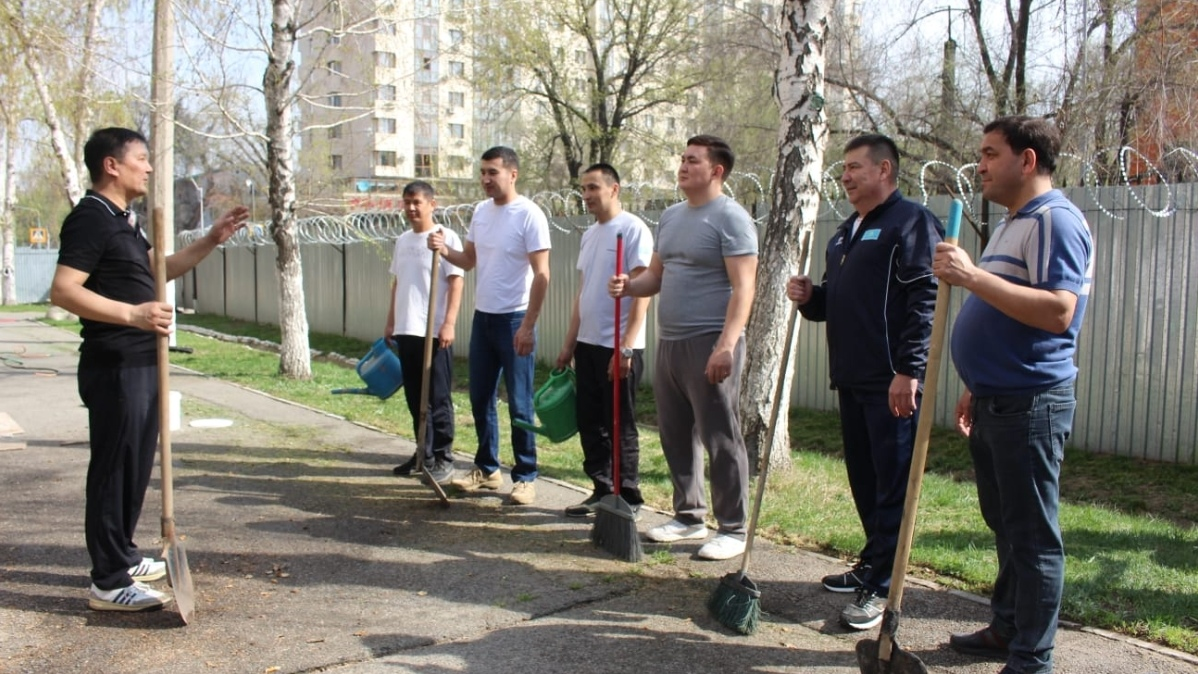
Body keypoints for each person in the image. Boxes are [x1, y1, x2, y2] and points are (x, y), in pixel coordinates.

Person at [50, 127, 248, 611]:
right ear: (111, 165)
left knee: (136, 464)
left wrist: (210, 240)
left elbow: (157, 268)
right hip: (114, 363)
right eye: (142, 158)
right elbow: (63, 289)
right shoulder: (91, 219)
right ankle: (108, 580)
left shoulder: (123, 219)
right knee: (115, 467)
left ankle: (123, 553)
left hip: (141, 360)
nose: (150, 166)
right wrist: (133, 314)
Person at [934, 116, 1093, 674]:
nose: (979, 164)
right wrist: (975, 385)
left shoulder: (1056, 220)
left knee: (1032, 535)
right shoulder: (1013, 222)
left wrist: (972, 277)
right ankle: (1007, 628)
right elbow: (1005, 309)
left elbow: (1058, 312)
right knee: (1005, 524)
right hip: (996, 398)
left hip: (1031, 403)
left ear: (1027, 161)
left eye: (990, 153)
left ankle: (1032, 657)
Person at [786, 134, 943, 631]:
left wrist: (909, 371)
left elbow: (923, 301)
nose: (846, 177)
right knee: (865, 479)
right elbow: (837, 303)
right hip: (851, 378)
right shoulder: (843, 233)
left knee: (893, 481)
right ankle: (873, 563)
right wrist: (812, 296)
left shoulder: (911, 222)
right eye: (843, 170)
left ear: (885, 170)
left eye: (855, 168)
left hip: (891, 380)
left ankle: (884, 586)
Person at [608, 135, 757, 561]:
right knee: (675, 434)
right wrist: (629, 286)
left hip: (711, 341)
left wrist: (727, 345)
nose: (683, 166)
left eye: (693, 160)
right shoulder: (671, 216)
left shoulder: (731, 218)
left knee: (720, 435)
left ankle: (733, 527)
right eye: (682, 159)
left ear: (717, 170)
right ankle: (689, 515)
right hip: (669, 341)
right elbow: (655, 277)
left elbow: (744, 288)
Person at [427, 147, 551, 505]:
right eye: (482, 172)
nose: (485, 179)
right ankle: (487, 469)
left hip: (515, 318)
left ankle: (525, 476)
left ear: (512, 174)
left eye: (492, 172)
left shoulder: (529, 214)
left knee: (520, 403)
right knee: (480, 398)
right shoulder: (481, 212)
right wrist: (444, 248)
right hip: (483, 318)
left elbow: (542, 275)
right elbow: (468, 260)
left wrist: (528, 326)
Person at [555, 163, 653, 517]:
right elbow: (584, 292)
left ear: (614, 189)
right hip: (588, 342)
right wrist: (569, 343)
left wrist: (625, 346)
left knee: (619, 422)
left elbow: (643, 292)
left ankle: (628, 495)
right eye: (583, 189)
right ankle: (601, 488)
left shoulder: (633, 229)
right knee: (590, 420)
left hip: (619, 345)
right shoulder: (590, 234)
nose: (586, 195)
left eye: (593, 187)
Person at [387, 181, 464, 486]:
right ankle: (424, 451)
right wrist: (390, 320)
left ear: (432, 204)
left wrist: (449, 322)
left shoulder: (444, 237)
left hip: (432, 330)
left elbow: (456, 281)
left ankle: (443, 456)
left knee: (437, 396)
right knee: (414, 396)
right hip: (407, 328)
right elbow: (397, 283)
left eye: (417, 202)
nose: (411, 208)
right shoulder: (403, 240)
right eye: (406, 202)